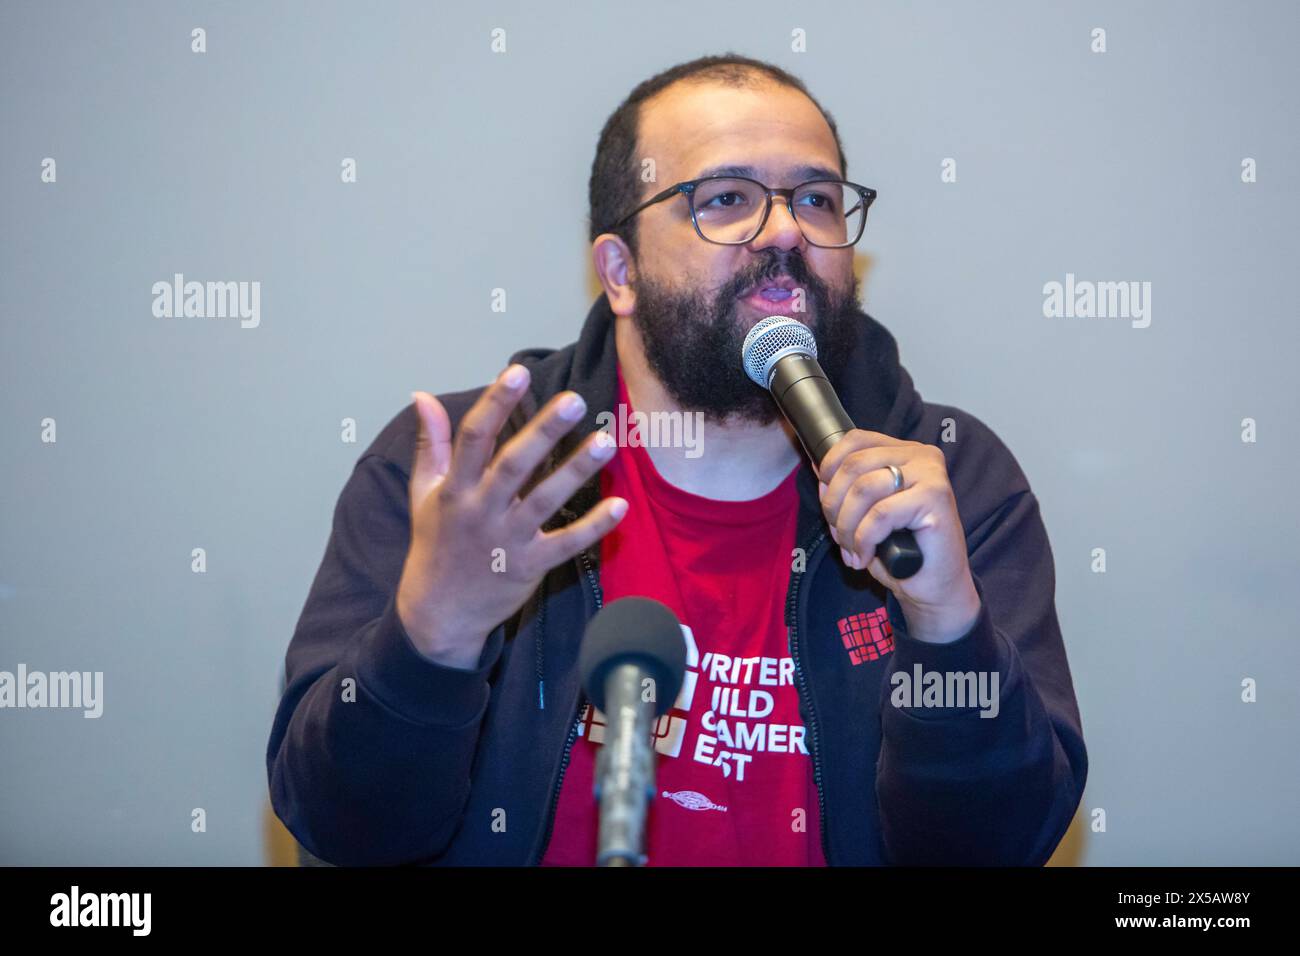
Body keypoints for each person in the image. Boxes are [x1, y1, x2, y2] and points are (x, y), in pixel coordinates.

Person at [266, 53, 1088, 867]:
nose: (785, 232)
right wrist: (432, 636)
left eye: (817, 199)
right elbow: (344, 829)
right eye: (726, 200)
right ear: (619, 272)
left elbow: (995, 849)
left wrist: (948, 624)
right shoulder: (469, 479)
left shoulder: (948, 481)